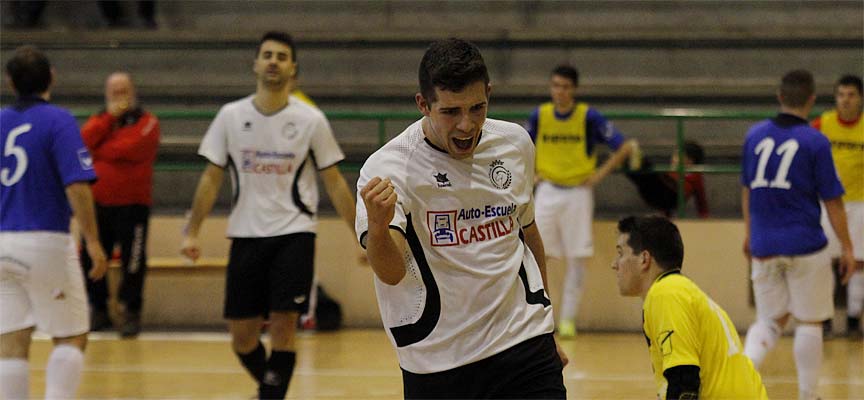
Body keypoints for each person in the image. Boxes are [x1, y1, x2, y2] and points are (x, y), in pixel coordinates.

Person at [357, 38, 567, 399]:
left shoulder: (515, 144)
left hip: (524, 342)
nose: (467, 125)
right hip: (438, 359)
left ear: (489, 93)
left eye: (477, 107)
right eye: (451, 112)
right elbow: (391, 274)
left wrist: (547, 325)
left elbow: (528, 234)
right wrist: (377, 227)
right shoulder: (388, 168)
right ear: (423, 104)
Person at [179, 31, 359, 400]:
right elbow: (211, 179)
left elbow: (335, 183)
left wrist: (363, 234)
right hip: (245, 235)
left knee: (283, 327)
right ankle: (269, 389)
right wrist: (191, 232)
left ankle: (268, 396)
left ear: (293, 68)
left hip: (294, 234)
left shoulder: (311, 120)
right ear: (256, 64)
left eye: (281, 56)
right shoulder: (231, 116)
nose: (273, 61)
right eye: (267, 55)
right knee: (242, 339)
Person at [0, 45, 109, 399]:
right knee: (72, 334)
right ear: (53, 78)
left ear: (10, 82)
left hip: (2, 242)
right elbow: (76, 184)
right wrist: (92, 240)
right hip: (44, 239)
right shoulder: (58, 120)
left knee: (11, 341)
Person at [741, 69, 856, 400]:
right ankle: (808, 395)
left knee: (769, 321)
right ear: (811, 101)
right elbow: (832, 201)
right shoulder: (815, 141)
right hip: (805, 244)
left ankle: (740, 382)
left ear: (779, 97)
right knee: (810, 321)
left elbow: (747, 190)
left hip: (763, 243)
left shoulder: (754, 135)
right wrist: (847, 247)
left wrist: (749, 234)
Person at [525, 64, 639, 337]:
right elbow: (521, 146)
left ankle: (567, 320)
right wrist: (533, 174)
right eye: (555, 86)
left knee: (577, 259)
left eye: (565, 87)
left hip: (578, 192)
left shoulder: (589, 117)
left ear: (574, 89)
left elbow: (624, 146)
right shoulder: (540, 115)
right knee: (537, 253)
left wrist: (599, 175)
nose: (559, 92)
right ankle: (541, 317)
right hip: (548, 191)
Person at [612, 215, 767, 399]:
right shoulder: (677, 289)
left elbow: (684, 385)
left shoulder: (666, 294)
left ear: (644, 259)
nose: (614, 264)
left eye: (621, 253)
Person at [78, 72, 160, 337]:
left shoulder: (148, 121)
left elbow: (133, 148)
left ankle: (131, 311)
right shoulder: (100, 119)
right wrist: (108, 120)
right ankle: (99, 309)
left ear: (133, 92)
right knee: (90, 257)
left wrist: (101, 149)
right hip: (98, 204)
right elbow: (81, 143)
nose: (119, 96)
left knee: (133, 261)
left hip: (133, 205)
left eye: (123, 90)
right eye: (114, 91)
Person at [812, 74, 864, 338]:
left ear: (860, 98)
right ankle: (827, 319)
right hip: (829, 203)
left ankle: (854, 319)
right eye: (841, 94)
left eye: (851, 95)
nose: (846, 100)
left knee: (858, 262)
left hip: (861, 203)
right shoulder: (823, 123)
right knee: (827, 260)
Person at [626, 140, 709, 218]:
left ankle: (636, 158)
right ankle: (628, 163)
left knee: (648, 171)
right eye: (674, 155)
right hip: (661, 192)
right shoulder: (672, 171)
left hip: (674, 193)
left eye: (678, 156)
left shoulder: (695, 175)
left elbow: (701, 199)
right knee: (642, 177)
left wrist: (704, 217)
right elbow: (664, 189)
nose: (673, 158)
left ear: (690, 161)